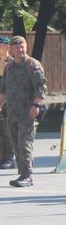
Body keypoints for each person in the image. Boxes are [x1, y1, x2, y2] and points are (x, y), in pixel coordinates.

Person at [0, 37, 45, 187]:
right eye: (17, 47)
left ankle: (27, 175)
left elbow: (41, 87)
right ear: (11, 49)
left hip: (27, 112)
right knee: (15, 144)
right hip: (12, 112)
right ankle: (22, 173)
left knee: (24, 143)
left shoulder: (32, 64)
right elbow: (4, 91)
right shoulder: (9, 67)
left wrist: (36, 105)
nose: (21, 50)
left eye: (23, 46)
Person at [0, 36, 14, 170]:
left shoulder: (12, 63)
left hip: (9, 102)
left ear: (7, 47)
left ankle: (10, 158)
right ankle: (2, 157)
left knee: (7, 130)